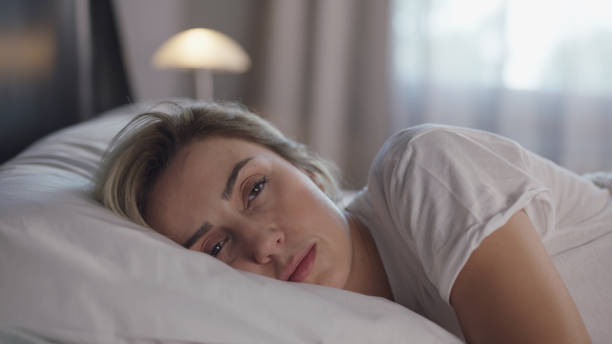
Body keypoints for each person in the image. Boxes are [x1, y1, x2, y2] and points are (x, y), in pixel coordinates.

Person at [96, 102, 612, 343]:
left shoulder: (423, 165)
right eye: (214, 248)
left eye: (255, 188)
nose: (263, 242)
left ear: (306, 168)